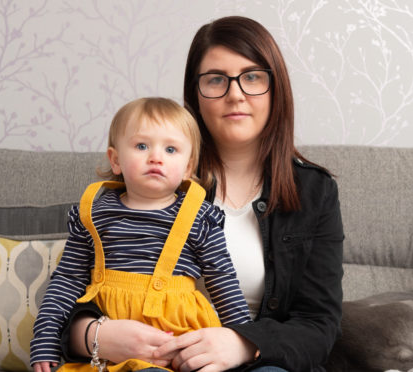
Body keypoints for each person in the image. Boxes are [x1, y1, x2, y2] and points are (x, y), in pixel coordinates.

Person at [59, 16, 344, 372]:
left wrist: (243, 343)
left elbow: (319, 325)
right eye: (216, 80)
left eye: (253, 77)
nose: (235, 94)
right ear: (195, 93)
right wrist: (93, 335)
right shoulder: (153, 177)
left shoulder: (315, 191)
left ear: (276, 89)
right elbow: (74, 287)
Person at [29, 97, 252, 372]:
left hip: (178, 342)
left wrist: (246, 341)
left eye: (171, 149)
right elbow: (67, 280)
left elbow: (224, 282)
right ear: (116, 160)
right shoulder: (93, 215)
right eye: (141, 146)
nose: (156, 157)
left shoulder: (200, 217)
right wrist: (45, 339)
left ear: (188, 168)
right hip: (110, 348)